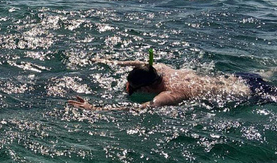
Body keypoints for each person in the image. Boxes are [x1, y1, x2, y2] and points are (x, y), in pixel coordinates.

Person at [68, 53, 277, 111]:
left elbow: (140, 108)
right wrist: (109, 62)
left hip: (251, 94)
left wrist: (95, 108)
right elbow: (141, 62)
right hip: (239, 77)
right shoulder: (163, 69)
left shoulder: (168, 95)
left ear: (148, 88)